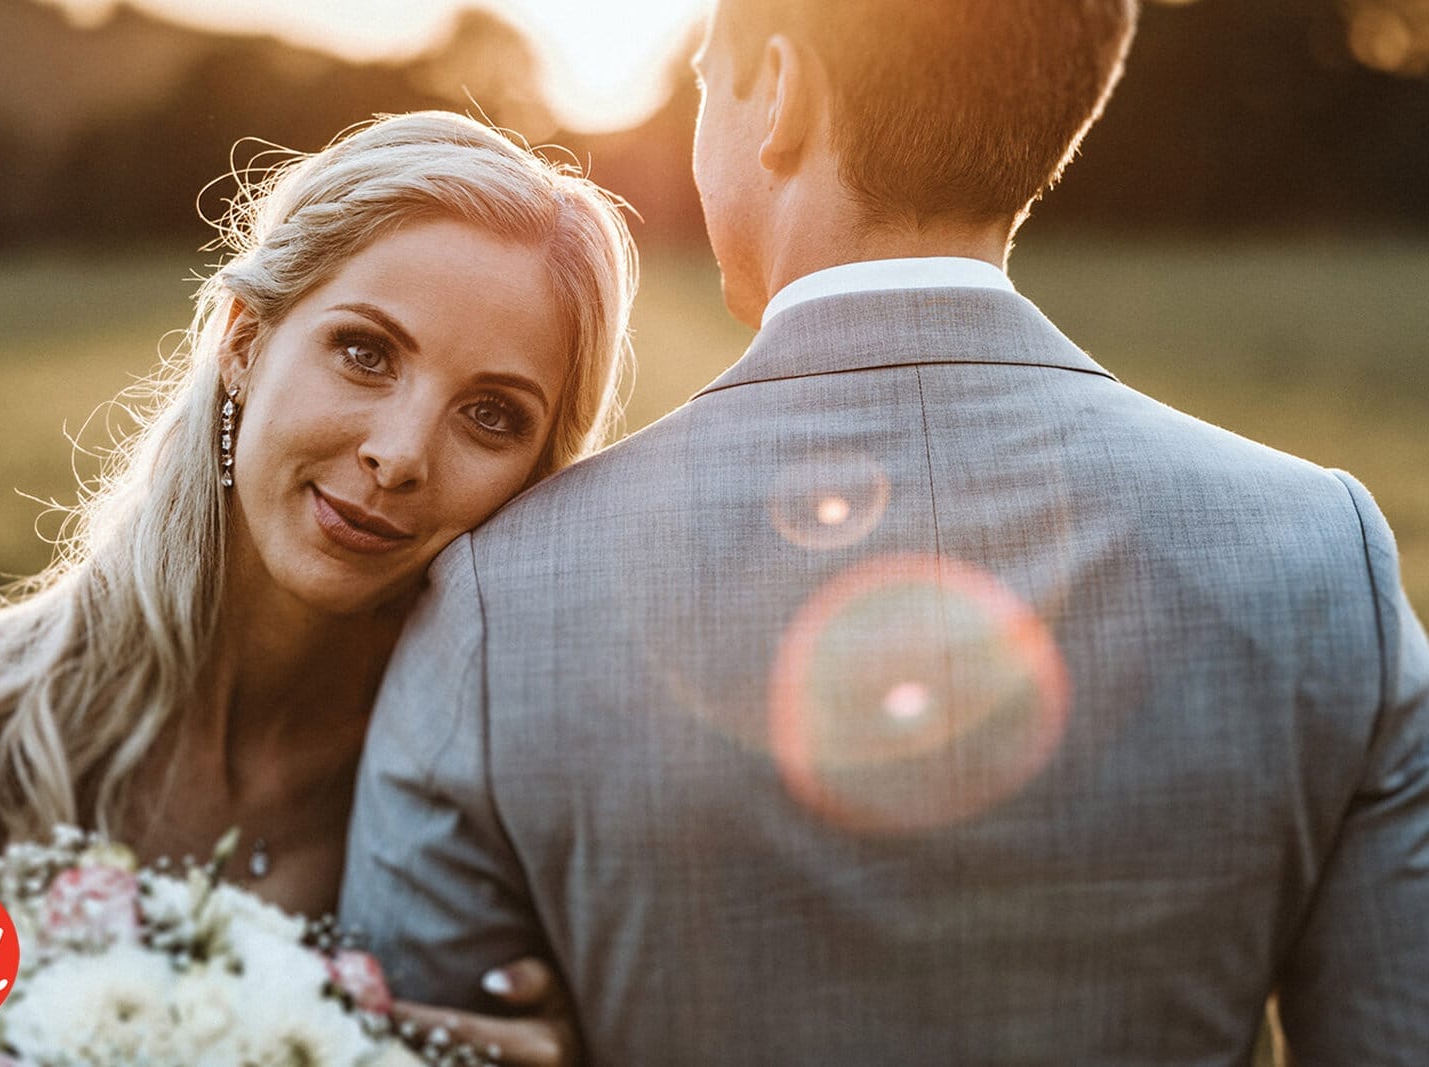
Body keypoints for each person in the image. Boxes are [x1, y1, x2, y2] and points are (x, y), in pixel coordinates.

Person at [340, 1, 1429, 1063]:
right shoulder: (1319, 550)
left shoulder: (497, 591)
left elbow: (397, 1036)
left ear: (781, 92)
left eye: (704, 81)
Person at [0, 110, 635, 1064]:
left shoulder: (497, 830)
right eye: (366, 352)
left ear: (539, 471)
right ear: (245, 341)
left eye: (492, 415)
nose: (401, 453)